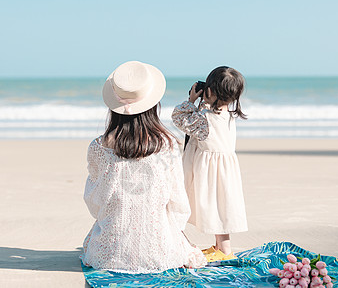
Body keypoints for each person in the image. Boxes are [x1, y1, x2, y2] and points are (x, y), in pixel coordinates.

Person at [80, 61, 206, 273]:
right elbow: (177, 203)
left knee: (93, 239)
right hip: (160, 253)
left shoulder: (98, 147)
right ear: (153, 104)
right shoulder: (169, 146)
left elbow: (94, 201)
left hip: (109, 255)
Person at [172, 66, 248, 262]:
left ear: (210, 91)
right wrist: (204, 103)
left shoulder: (204, 119)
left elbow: (178, 118)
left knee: (213, 206)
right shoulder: (228, 115)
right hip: (223, 170)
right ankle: (221, 246)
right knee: (220, 207)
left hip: (208, 172)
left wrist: (190, 100)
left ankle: (222, 249)